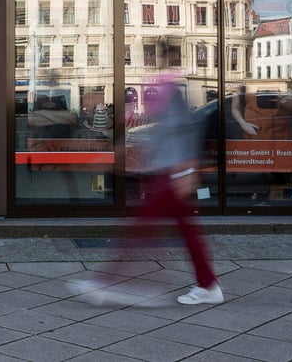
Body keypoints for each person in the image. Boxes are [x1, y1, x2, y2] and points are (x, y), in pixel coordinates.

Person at [69, 77, 223, 307]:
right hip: (169, 174)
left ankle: (104, 283)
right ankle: (207, 285)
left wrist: (187, 169)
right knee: (184, 233)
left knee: (140, 230)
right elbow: (167, 133)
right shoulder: (168, 90)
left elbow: (185, 129)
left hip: (173, 176)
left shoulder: (171, 91)